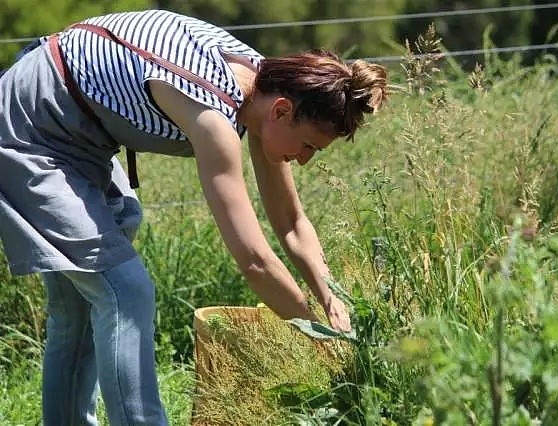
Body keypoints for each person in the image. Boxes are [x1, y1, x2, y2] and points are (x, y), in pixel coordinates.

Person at [0, 8, 388, 425]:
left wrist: (330, 297)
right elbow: (253, 260)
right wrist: (316, 333)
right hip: (30, 126)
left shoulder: (261, 87)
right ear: (281, 110)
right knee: (125, 293)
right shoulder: (215, 112)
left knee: (79, 308)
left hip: (78, 136)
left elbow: (291, 223)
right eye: (309, 145)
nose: (306, 160)